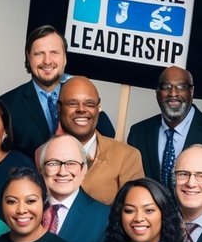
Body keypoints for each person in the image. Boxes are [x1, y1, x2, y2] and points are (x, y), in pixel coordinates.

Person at [0, 25, 115, 158]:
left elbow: (108, 136)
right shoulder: (6, 105)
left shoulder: (82, 93)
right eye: (39, 53)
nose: (47, 61)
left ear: (65, 58)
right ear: (28, 57)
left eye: (54, 52)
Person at [126, 66, 202, 186]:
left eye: (181, 87)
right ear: (157, 93)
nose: (173, 93)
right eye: (166, 87)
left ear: (191, 92)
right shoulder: (138, 133)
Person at [60, 76, 145, 206]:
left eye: (89, 103)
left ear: (99, 107)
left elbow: (134, 212)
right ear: (59, 107)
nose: (81, 109)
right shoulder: (42, 153)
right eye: (72, 103)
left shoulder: (127, 156)